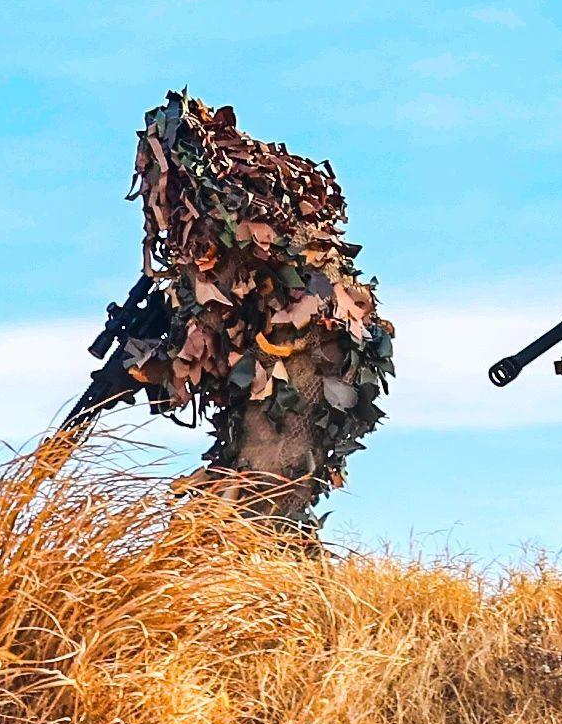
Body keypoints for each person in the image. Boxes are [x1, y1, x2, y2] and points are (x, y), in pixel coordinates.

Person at [100, 92, 393, 527]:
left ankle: (269, 583)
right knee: (257, 490)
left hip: (301, 372)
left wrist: (145, 365)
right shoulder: (278, 215)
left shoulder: (222, 225)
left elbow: (207, 341)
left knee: (258, 502)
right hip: (326, 363)